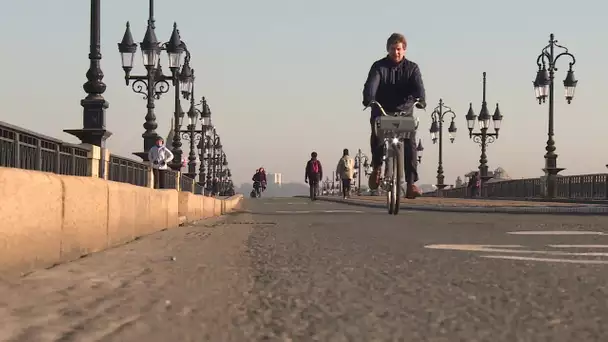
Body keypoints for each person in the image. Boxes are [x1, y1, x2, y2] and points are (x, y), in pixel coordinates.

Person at [362, 32, 426, 199]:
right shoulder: (379, 67)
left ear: (404, 50)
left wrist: (421, 99)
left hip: (404, 111)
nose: (396, 52)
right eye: (392, 49)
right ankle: (377, 168)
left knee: (410, 142)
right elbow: (371, 84)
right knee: (377, 137)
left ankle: (411, 183)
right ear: (388, 49)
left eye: (398, 49)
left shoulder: (412, 68)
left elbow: (418, 87)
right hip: (382, 110)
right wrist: (369, 99)